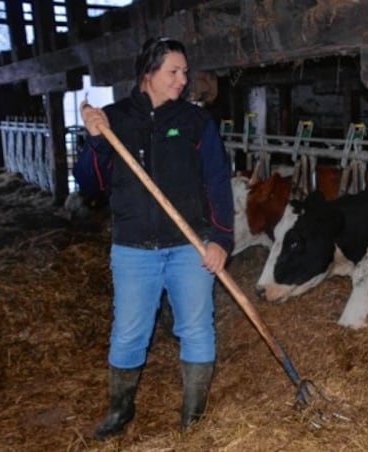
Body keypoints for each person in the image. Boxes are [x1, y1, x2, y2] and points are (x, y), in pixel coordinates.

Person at [74, 37, 234, 440]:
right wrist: (94, 140)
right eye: (173, 72)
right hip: (134, 248)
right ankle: (119, 410)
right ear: (148, 73)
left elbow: (217, 182)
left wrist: (220, 240)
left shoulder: (197, 122)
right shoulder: (114, 119)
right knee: (129, 331)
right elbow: (90, 183)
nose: (183, 81)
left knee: (197, 328)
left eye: (184, 72)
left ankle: (191, 418)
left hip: (189, 246)